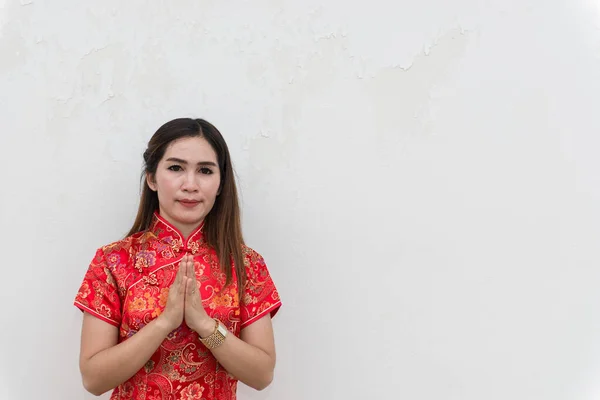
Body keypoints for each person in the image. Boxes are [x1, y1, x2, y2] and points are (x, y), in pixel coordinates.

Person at [73, 118, 282, 399]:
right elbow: (93, 379)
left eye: (205, 171)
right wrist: (164, 322)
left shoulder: (246, 265)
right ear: (152, 178)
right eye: (175, 168)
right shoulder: (114, 261)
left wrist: (205, 325)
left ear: (220, 184)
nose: (190, 184)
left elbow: (262, 375)